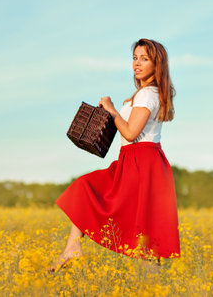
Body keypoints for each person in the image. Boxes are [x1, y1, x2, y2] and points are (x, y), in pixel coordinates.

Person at [48, 38, 181, 273]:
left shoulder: (148, 95)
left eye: (144, 59)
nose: (137, 64)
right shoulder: (146, 93)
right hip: (136, 160)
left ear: (156, 64)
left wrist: (111, 110)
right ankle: (72, 247)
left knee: (143, 236)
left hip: (141, 161)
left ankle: (73, 248)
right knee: (140, 233)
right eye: (135, 58)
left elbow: (130, 133)